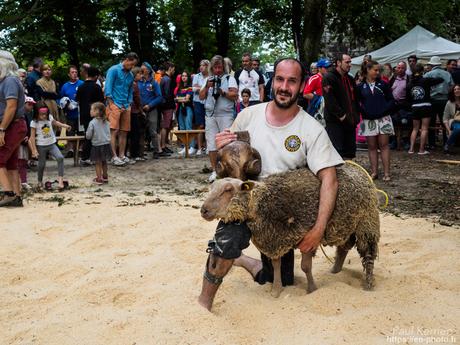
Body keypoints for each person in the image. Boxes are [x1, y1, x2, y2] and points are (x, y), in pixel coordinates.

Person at [198, 57, 344, 311]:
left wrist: (318, 229)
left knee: (279, 280)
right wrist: (222, 148)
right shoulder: (248, 116)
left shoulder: (312, 129)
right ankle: (204, 302)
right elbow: (225, 170)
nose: (284, 87)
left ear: (301, 86)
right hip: (244, 200)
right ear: (272, 80)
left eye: (292, 81)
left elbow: (329, 178)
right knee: (227, 241)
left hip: (280, 211)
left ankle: (246, 261)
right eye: (279, 79)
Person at [199, 55, 238, 182]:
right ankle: (215, 171)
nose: (217, 70)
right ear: (212, 68)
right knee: (211, 143)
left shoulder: (230, 78)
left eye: (219, 67)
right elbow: (201, 97)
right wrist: (207, 87)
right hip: (210, 115)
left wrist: (223, 93)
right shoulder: (208, 79)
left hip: (225, 115)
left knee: (227, 143)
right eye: (215, 67)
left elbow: (235, 95)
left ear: (223, 67)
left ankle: (229, 170)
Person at [357, 60, 395, 181]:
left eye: (378, 70)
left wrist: (383, 111)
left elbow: (391, 100)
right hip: (368, 120)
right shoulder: (360, 86)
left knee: (384, 145)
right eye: (375, 70)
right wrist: (364, 113)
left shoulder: (383, 84)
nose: (378, 72)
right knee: (372, 146)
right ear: (368, 70)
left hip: (383, 119)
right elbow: (357, 103)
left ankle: (387, 173)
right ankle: (374, 172)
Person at [0, 50, 27, 207]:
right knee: (10, 162)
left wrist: (2, 129)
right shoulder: (7, 80)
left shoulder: (10, 80)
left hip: (12, 126)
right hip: (13, 125)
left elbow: (11, 106)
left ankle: (8, 194)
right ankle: (16, 196)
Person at [322, 53, 359, 159]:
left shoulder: (350, 79)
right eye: (347, 62)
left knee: (350, 151)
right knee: (337, 151)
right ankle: (337, 174)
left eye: (350, 62)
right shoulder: (329, 77)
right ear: (338, 63)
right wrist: (342, 115)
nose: (350, 64)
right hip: (336, 122)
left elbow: (355, 98)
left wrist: (355, 115)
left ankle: (348, 174)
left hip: (350, 121)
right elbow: (330, 100)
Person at [104, 52, 139, 166]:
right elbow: (108, 86)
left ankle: (122, 155)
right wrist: (110, 103)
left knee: (124, 131)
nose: (133, 67)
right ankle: (113, 156)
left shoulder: (130, 75)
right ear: (127, 60)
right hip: (114, 104)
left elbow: (130, 91)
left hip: (126, 105)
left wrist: (128, 103)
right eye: (132, 64)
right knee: (114, 131)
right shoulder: (113, 70)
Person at [29, 103, 70, 190]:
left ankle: (60, 181)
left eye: (45, 114)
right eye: (41, 114)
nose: (44, 116)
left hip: (51, 144)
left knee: (60, 158)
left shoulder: (49, 117)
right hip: (41, 145)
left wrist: (64, 126)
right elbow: (32, 137)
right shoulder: (34, 122)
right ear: (36, 113)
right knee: (41, 165)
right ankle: (39, 181)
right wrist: (34, 150)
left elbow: (55, 122)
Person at [406, 63, 444, 155]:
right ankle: (421, 150)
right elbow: (440, 79)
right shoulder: (425, 80)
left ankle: (411, 149)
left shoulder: (410, 83)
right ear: (422, 71)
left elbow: (408, 98)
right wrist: (431, 73)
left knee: (415, 129)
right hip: (425, 106)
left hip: (415, 107)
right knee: (424, 129)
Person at [76, 66, 105, 165]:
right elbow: (101, 103)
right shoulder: (97, 87)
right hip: (95, 115)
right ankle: (89, 157)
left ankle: (86, 157)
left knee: (87, 135)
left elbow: (78, 100)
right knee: (95, 136)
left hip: (84, 114)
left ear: (87, 75)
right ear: (96, 76)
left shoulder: (80, 87)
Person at [424, 56, 454, 148]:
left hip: (432, 100)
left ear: (432, 65)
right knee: (444, 121)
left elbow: (423, 85)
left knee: (431, 122)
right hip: (444, 100)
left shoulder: (428, 74)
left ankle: (432, 144)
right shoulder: (447, 74)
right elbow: (452, 86)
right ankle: (446, 142)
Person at [138, 62, 164, 159]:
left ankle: (156, 151)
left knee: (153, 131)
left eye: (143, 69)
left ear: (148, 71)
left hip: (151, 109)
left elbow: (159, 97)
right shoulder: (138, 81)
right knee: (141, 131)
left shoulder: (154, 82)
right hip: (140, 110)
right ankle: (140, 152)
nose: (141, 71)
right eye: (141, 69)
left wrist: (150, 105)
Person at [60, 65, 84, 157]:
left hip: (80, 112)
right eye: (72, 72)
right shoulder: (65, 86)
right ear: (69, 74)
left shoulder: (81, 83)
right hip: (70, 113)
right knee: (70, 131)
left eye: (76, 72)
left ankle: (80, 149)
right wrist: (65, 103)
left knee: (81, 131)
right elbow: (60, 98)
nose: (74, 74)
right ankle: (71, 149)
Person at [86, 102, 111, 184]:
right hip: (106, 144)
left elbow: (88, 135)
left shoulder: (92, 123)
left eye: (91, 109)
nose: (90, 111)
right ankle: (105, 176)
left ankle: (99, 178)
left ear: (96, 111)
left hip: (97, 145)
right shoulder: (106, 121)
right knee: (104, 161)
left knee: (98, 162)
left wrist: (87, 136)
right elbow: (108, 133)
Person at [388, 61, 410, 150]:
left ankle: (405, 141)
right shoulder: (393, 78)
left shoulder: (408, 79)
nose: (400, 69)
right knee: (392, 122)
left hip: (404, 105)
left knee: (405, 122)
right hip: (393, 105)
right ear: (396, 68)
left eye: (402, 68)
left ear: (405, 69)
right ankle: (393, 141)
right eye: (399, 67)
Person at [18, 97, 36, 191]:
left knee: (23, 162)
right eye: (29, 104)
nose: (31, 106)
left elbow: (28, 129)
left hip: (24, 141)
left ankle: (23, 181)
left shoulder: (28, 115)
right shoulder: (19, 114)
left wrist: (27, 136)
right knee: (19, 162)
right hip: (18, 142)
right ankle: (20, 182)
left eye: (32, 105)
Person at [192, 60, 210, 155]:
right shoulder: (196, 76)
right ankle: (199, 148)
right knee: (200, 125)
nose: (201, 67)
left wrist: (200, 87)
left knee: (208, 125)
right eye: (200, 65)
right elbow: (194, 88)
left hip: (208, 102)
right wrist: (204, 88)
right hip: (198, 102)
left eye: (203, 65)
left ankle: (207, 147)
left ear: (207, 66)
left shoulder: (210, 77)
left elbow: (210, 89)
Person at [176, 71, 195, 155]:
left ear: (188, 77)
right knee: (182, 128)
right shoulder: (179, 87)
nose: (184, 77)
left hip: (188, 108)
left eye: (185, 76)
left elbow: (187, 99)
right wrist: (182, 99)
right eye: (182, 76)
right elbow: (177, 98)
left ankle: (192, 147)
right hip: (181, 108)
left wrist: (179, 99)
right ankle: (185, 147)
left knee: (188, 127)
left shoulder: (190, 87)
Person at [158, 61, 176, 154]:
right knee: (165, 126)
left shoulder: (164, 78)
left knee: (166, 126)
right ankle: (163, 146)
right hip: (167, 106)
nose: (174, 70)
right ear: (170, 68)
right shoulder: (167, 79)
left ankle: (163, 145)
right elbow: (167, 94)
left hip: (165, 105)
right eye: (173, 68)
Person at [128, 67, 144, 161]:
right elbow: (137, 99)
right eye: (139, 74)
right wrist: (141, 110)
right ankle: (134, 154)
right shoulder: (134, 85)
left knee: (131, 133)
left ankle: (131, 153)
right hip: (133, 111)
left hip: (129, 110)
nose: (141, 76)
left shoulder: (132, 84)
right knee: (135, 133)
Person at [443, 84, 460, 153]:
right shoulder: (449, 103)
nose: (457, 90)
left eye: (458, 89)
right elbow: (445, 118)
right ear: (452, 92)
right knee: (458, 128)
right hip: (455, 121)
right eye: (455, 89)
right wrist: (449, 130)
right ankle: (448, 144)